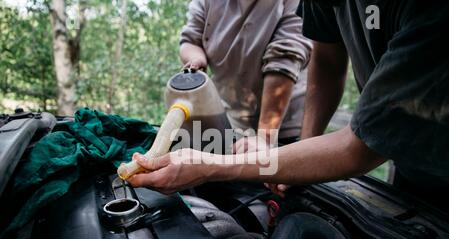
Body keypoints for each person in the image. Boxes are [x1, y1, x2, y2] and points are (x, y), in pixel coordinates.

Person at [125, 0, 449, 211]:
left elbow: (359, 148)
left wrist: (215, 165)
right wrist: (307, 151)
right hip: (408, 159)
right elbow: (326, 60)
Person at [179, 0, 312, 150]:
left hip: (286, 126)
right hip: (233, 120)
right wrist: (197, 59)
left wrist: (265, 137)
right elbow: (190, 40)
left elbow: (284, 59)